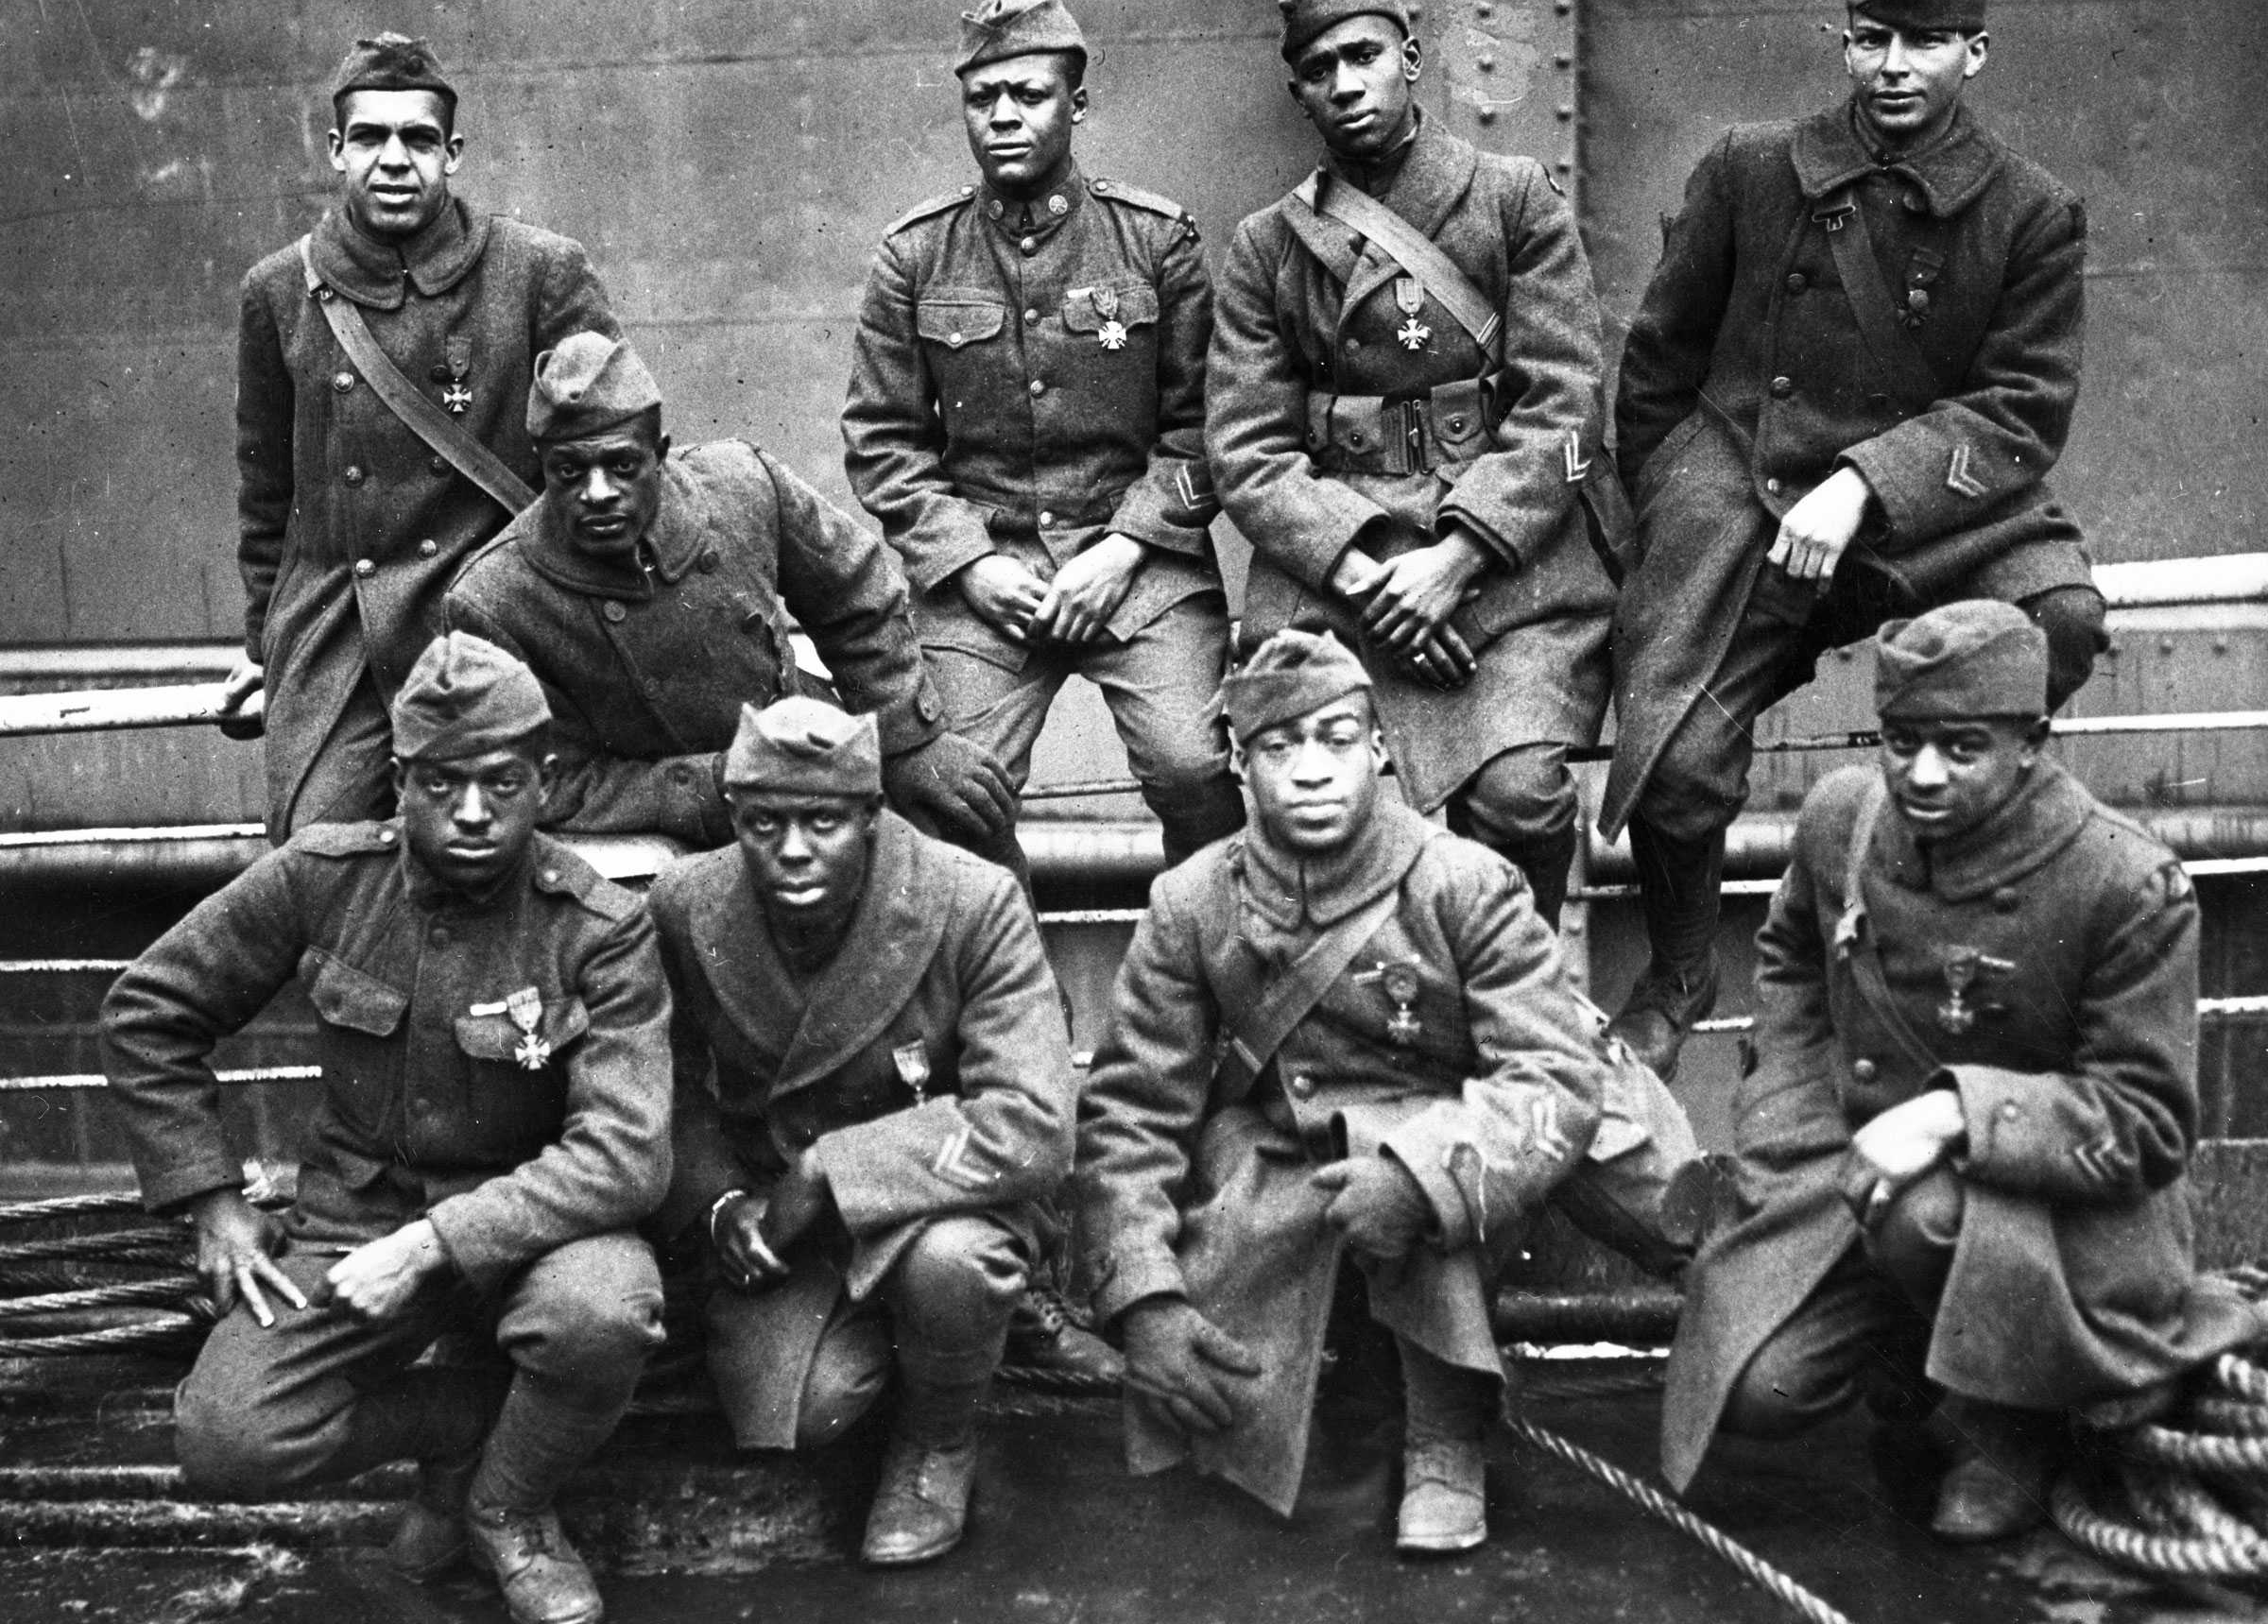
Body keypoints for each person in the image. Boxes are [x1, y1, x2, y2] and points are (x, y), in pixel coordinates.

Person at [1601, 0, 2108, 1075]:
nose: (1892, 67)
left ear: (1972, 54)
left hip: (1935, 511)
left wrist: (1866, 485)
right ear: (1843, 40)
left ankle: (1942, 893)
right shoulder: (1749, 169)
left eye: (1922, 43)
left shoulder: (2030, 212)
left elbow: (2021, 410)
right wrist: (1682, 515)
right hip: (1750, 498)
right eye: (1871, 38)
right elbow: (1658, 367)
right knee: (1674, 763)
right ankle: (1681, 963)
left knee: (2060, 622)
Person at [1074, 629, 1695, 1553]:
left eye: (1335, 738)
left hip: (1477, 1139)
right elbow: (1132, 1111)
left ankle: (1446, 1437)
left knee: (1420, 1150)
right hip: (1293, 1150)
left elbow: (1555, 1075)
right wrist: (1143, 1295)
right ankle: (1357, 1387)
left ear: (1378, 748)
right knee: (1228, 1425)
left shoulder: (1463, 880)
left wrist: (1420, 1179)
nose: (1312, 770)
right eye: (1281, 748)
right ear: (1242, 767)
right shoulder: (1194, 901)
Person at [103, 632, 672, 1624]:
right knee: (228, 1438)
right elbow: (147, 1011)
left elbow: (625, 1154)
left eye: (502, 783)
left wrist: (435, 1243)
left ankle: (511, 1507)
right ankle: (465, 1430)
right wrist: (212, 1201)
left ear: (545, 780)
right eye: (442, 784)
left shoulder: (599, 925)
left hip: (533, 1234)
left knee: (604, 1308)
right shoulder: (323, 879)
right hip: (352, 1223)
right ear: (401, 780)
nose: (473, 813)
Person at [1659, 602, 2257, 1540]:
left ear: (2031, 742)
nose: (1922, 773)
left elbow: (2145, 1120)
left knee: (1927, 1211)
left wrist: (1955, 1117)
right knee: (1761, 1388)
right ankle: (1925, 1364)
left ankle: (2011, 1428)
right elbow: (1789, 955)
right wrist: (1783, 1111)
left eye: (1962, 747)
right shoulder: (1844, 820)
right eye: (1903, 741)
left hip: (2055, 1216)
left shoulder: (2125, 883)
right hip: (1853, 1167)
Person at [1204, 0, 1624, 930]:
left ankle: (1522, 981)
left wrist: (1460, 555)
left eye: (1364, 56)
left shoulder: (1512, 200)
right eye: (1320, 70)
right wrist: (1375, 571)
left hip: (1509, 565)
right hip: (1342, 573)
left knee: (1521, 795)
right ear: (1299, 93)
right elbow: (1245, 447)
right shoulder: (1269, 246)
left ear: (1412, 61)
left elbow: (1564, 401)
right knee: (1328, 804)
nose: (1347, 83)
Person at [647, 697, 1077, 1565]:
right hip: (780, 1227)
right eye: (765, 822)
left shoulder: (969, 899)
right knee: (809, 1414)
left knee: (954, 1266)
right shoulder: (686, 905)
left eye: (823, 821)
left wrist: (830, 1173)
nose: (794, 849)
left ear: (873, 817)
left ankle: (940, 1437)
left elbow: (1032, 1123)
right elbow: (663, 1088)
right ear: (735, 818)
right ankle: (916, 1349)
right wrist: (720, 1203)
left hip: (941, 1202)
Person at [842, 0, 1245, 871]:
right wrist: (971, 564)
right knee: (949, 789)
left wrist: (1127, 548)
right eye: (983, 99)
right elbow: (883, 440)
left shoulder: (1156, 243)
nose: (1004, 118)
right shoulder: (915, 254)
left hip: (1139, 566)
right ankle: (1006, 989)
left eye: (1029, 95)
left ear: (1076, 103)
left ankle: (1214, 966)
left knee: (1193, 765)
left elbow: (1207, 427)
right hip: (986, 568)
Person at [225, 32, 622, 839]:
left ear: (455, 153)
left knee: (505, 840)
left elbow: (613, 455)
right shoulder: (278, 291)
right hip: (342, 635)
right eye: (370, 137)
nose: (395, 159)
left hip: (497, 622)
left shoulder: (539, 271)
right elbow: (268, 497)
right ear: (337, 151)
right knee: (317, 855)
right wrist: (265, 644)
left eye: (419, 139)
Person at [446, 330, 1016, 863]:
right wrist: (715, 782)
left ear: (660, 453)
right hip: (672, 820)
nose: (597, 493)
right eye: (568, 471)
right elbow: (551, 781)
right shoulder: (495, 600)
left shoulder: (739, 483)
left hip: (808, 749)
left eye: (621, 465)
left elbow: (856, 596)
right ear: (541, 467)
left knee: (966, 824)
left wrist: (907, 740)